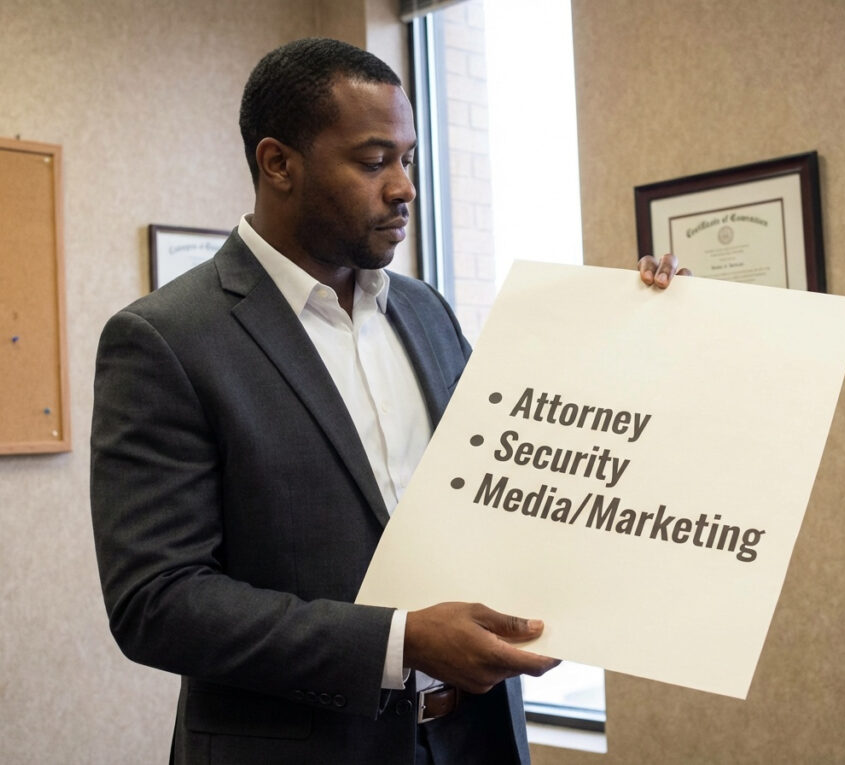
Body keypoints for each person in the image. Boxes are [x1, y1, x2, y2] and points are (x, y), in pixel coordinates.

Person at [90, 37, 686, 765]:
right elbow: (157, 602)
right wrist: (399, 640)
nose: (403, 186)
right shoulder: (166, 340)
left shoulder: (426, 311)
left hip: (477, 737)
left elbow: (514, 481)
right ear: (278, 163)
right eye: (374, 162)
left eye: (409, 160)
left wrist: (642, 331)